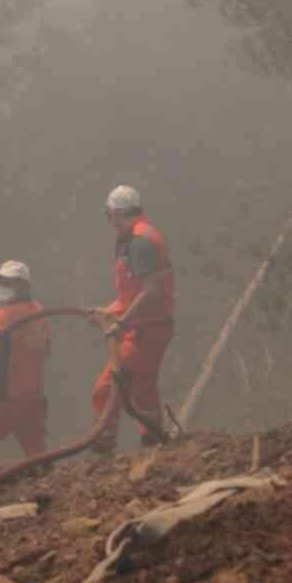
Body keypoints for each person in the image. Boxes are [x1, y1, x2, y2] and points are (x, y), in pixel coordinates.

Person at [88, 185, 175, 452]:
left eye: (110, 216)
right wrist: (109, 312)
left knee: (107, 387)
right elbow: (131, 294)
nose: (111, 224)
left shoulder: (141, 242)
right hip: (150, 326)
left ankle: (104, 446)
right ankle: (154, 443)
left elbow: (151, 291)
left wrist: (121, 321)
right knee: (143, 388)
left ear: (116, 214)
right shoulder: (135, 239)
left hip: (145, 330)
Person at [0, 261, 52, 460]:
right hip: (34, 396)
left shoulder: (7, 314)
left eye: (8, 281)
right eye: (2, 280)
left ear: (24, 285)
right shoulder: (40, 311)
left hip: (5, 397)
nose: (3, 285)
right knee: (37, 455)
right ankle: (45, 485)